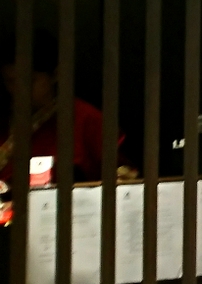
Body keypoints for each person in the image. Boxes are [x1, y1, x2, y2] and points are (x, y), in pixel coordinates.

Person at [0, 30, 130, 185]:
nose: (18, 90)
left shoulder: (88, 121)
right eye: (10, 81)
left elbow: (124, 180)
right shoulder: (4, 120)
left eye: (29, 81)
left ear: (56, 74)